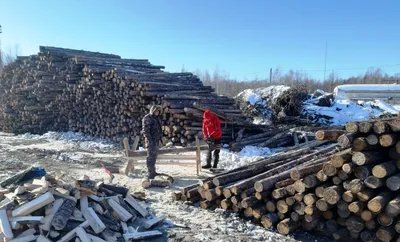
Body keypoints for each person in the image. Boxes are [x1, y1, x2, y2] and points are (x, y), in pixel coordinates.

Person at [142, 105, 163, 179]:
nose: (157, 112)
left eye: (158, 111)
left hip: (156, 140)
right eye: (156, 111)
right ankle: (150, 172)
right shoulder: (147, 118)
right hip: (150, 141)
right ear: (153, 111)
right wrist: (150, 141)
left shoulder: (156, 118)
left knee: (154, 156)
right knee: (150, 157)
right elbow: (146, 131)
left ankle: (153, 171)